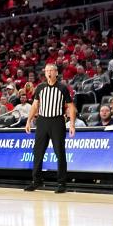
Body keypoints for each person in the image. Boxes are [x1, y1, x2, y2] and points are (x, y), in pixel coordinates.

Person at [24, 64, 76, 193]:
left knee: (60, 152)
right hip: (42, 121)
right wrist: (28, 121)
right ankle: (36, 181)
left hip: (57, 121)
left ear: (56, 72)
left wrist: (72, 124)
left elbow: (71, 106)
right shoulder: (40, 87)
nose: (48, 72)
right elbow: (35, 105)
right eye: (46, 70)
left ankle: (61, 183)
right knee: (38, 152)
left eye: (51, 70)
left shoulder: (63, 88)